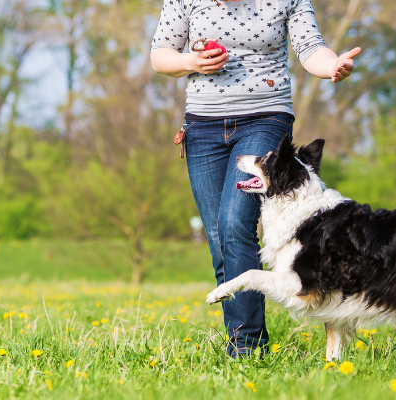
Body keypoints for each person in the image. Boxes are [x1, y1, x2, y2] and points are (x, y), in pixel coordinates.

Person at [150, 0, 359, 357]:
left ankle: (247, 349)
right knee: (218, 236)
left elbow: (310, 48)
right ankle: (242, 339)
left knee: (234, 223)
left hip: (265, 118)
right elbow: (160, 55)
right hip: (203, 126)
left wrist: (332, 66)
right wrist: (190, 62)